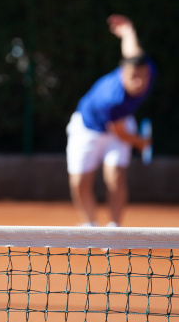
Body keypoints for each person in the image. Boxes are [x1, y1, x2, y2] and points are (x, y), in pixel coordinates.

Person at [66, 14, 155, 227]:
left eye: (143, 76)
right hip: (89, 128)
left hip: (121, 124)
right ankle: (90, 225)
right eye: (134, 76)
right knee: (79, 182)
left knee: (115, 176)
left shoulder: (147, 69)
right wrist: (142, 143)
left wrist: (128, 32)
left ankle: (114, 229)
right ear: (122, 73)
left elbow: (133, 52)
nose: (140, 82)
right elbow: (120, 132)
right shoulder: (112, 98)